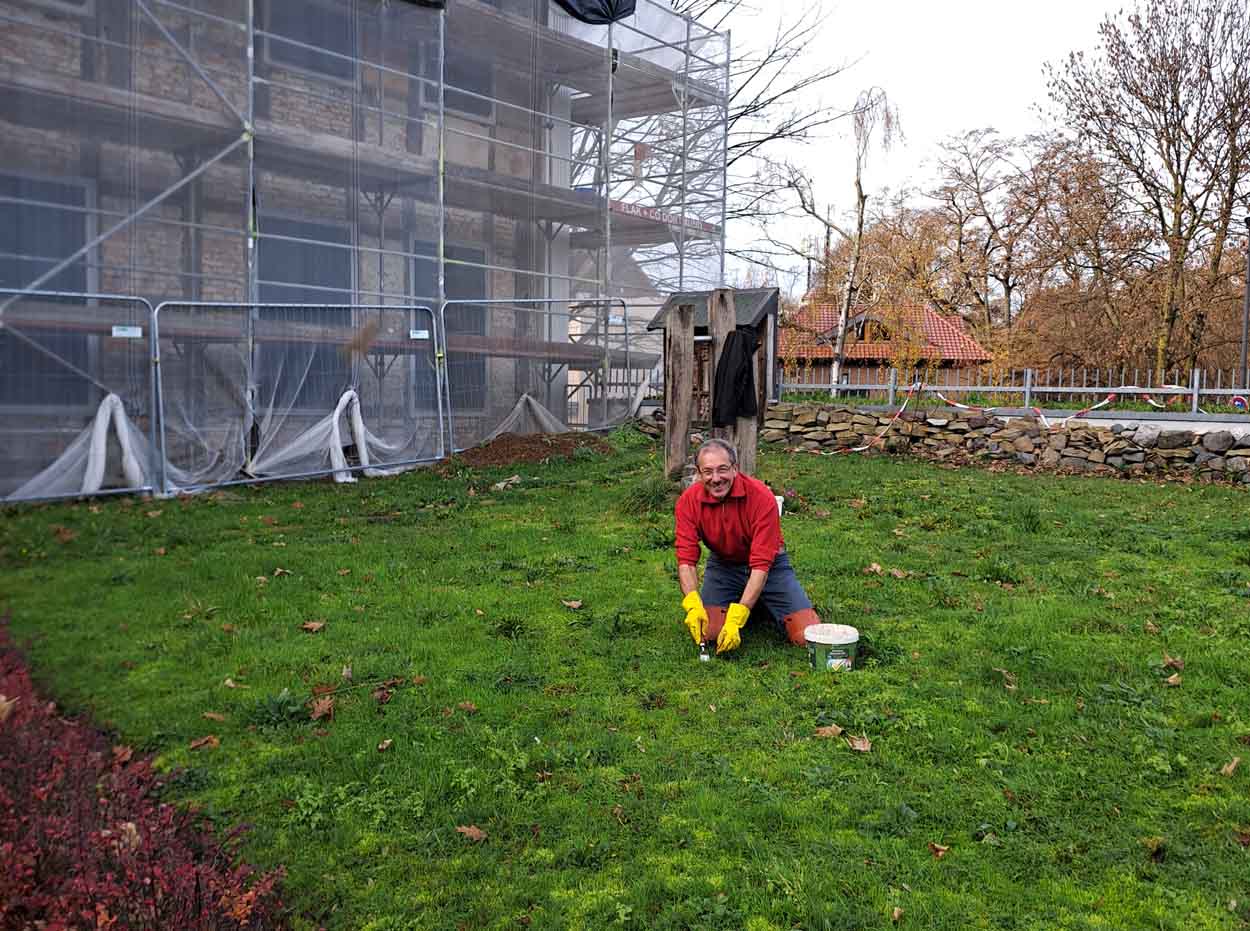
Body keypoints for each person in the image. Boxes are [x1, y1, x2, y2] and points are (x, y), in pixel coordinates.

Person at [675, 438, 821, 653]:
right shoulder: (688, 501)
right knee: (709, 633)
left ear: (735, 468)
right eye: (708, 472)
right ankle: (756, 602)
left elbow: (762, 564)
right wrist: (692, 604)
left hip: (771, 567)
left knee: (806, 635)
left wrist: (739, 616)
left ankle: (757, 604)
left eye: (722, 469)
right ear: (698, 473)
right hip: (724, 566)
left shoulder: (761, 496)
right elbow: (686, 559)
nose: (716, 478)